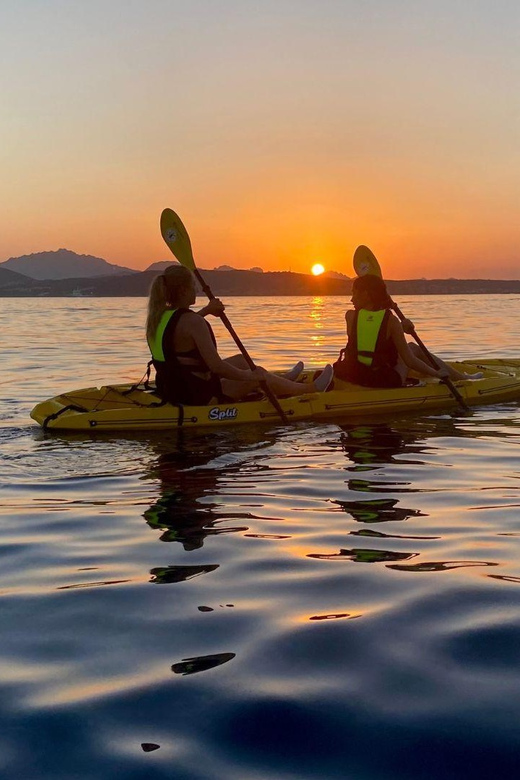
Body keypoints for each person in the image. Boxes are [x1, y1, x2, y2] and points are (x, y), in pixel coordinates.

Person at [146, 264, 333, 405]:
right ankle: (309, 389)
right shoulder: (193, 322)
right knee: (256, 374)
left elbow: (178, 334)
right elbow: (217, 367)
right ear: (183, 290)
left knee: (242, 360)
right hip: (198, 395)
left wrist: (206, 311)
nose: (196, 289)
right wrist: (250, 377)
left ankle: (284, 381)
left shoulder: (159, 318)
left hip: (172, 387)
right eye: (193, 285)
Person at [333, 273, 482, 387]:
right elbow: (409, 360)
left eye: (354, 293)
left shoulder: (350, 316)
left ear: (366, 294)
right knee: (413, 349)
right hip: (383, 380)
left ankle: (457, 376)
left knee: (409, 349)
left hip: (355, 374)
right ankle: (462, 378)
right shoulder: (392, 321)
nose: (351, 299)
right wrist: (436, 374)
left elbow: (367, 337)